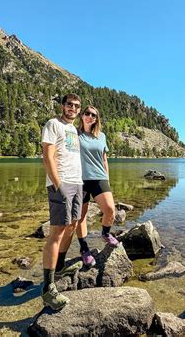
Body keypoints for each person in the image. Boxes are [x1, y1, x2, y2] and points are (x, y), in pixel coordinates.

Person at [40, 93, 84, 310]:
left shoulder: (74, 130)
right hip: (62, 183)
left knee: (72, 226)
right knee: (57, 232)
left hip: (77, 183)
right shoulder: (53, 124)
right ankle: (48, 288)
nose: (73, 109)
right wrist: (57, 184)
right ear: (63, 106)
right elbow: (47, 156)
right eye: (69, 105)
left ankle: (58, 269)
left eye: (76, 106)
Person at [76, 105, 119, 267]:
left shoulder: (101, 136)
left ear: (96, 119)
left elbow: (104, 158)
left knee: (110, 210)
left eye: (94, 115)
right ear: (82, 116)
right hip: (80, 180)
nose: (90, 117)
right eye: (87, 113)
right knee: (81, 217)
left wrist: (106, 178)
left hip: (99, 178)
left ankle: (105, 234)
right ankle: (84, 248)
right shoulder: (75, 134)